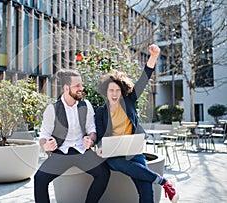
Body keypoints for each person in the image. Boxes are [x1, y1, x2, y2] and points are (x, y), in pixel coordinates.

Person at [95, 44, 179, 203]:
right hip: (114, 155)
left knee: (146, 190)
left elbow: (144, 79)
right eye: (111, 90)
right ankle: (163, 181)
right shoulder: (100, 112)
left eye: (117, 90)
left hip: (134, 151)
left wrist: (154, 56)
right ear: (106, 91)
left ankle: (160, 182)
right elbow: (99, 135)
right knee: (121, 164)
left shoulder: (130, 101)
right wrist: (100, 147)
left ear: (122, 91)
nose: (114, 94)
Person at [34, 69, 110, 203]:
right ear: (66, 88)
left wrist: (90, 140)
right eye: (77, 86)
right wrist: (46, 145)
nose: (81, 88)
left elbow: (91, 129)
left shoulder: (86, 105)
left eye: (81, 85)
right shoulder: (52, 109)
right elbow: (43, 137)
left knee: (104, 174)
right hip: (61, 153)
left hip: (82, 151)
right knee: (39, 179)